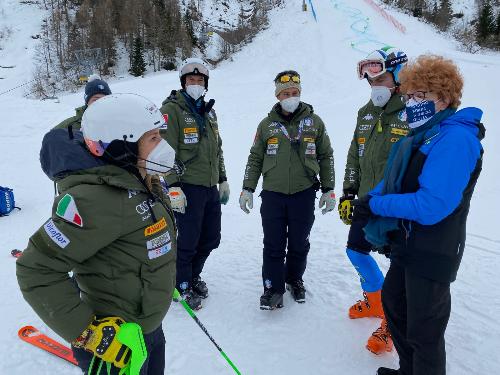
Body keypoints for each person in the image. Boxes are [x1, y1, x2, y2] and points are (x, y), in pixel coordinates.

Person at [16, 93, 178, 374]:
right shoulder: (95, 200)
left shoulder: (142, 178)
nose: (162, 145)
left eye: (159, 135)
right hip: (115, 347)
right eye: (152, 138)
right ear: (122, 146)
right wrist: (87, 333)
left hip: (149, 328)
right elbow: (36, 269)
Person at [352, 55, 485, 375]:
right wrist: (372, 195)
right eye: (410, 95)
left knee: (424, 330)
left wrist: (378, 206)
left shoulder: (455, 139)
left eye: (422, 96)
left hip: (434, 248)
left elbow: (431, 205)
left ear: (445, 98)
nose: (413, 102)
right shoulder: (424, 134)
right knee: (396, 308)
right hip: (409, 242)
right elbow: (399, 174)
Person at [240, 70, 335, 310]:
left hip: (304, 193)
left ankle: (294, 279)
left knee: (299, 242)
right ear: (278, 96)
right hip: (273, 194)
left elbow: (326, 156)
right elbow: (255, 158)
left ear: (300, 93)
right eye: (285, 93)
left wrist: (328, 189)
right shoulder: (267, 125)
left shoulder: (315, 122)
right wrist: (248, 188)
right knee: (273, 243)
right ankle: (272, 287)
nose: (290, 97)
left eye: (294, 93)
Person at [338, 46, 408, 354]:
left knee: (399, 266)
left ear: (398, 76)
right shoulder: (366, 112)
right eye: (371, 81)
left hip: (396, 205)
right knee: (356, 250)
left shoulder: (413, 112)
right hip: (366, 200)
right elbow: (356, 153)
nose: (375, 86)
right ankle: (376, 300)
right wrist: (349, 192)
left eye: (380, 79)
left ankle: (392, 323)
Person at [160, 58, 228, 310]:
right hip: (186, 187)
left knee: (211, 238)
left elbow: (217, 150)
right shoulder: (172, 110)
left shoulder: (209, 112)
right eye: (192, 80)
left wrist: (222, 179)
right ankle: (182, 284)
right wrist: (172, 185)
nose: (196, 84)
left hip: (209, 186)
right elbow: (164, 151)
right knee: (188, 241)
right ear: (183, 82)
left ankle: (193, 275)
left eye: (200, 81)